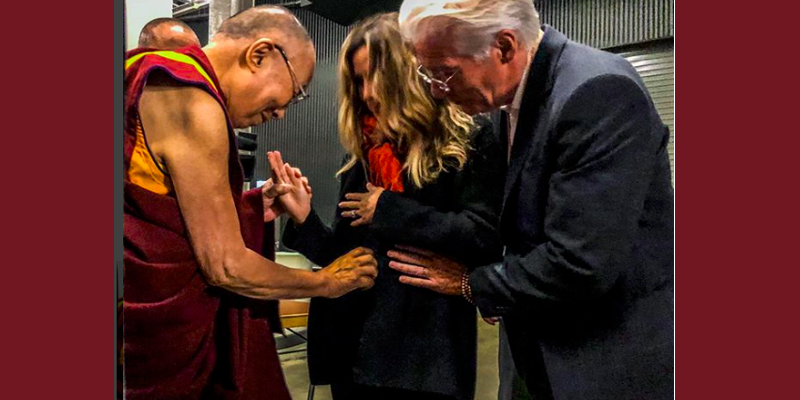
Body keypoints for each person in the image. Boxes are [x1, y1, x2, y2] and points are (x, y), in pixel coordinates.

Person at [388, 1, 675, 400]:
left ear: (504, 47)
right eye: (428, 72)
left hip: (600, 361)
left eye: (445, 71)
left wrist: (472, 284)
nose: (437, 89)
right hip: (537, 349)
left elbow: (580, 262)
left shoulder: (596, 92)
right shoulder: (510, 99)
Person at [120, 5, 378, 400]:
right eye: (292, 95)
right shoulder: (191, 97)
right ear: (259, 54)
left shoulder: (140, 73)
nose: (279, 114)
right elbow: (225, 266)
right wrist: (327, 282)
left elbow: (162, 199)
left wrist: (253, 206)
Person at [272, 12, 505, 400]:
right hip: (354, 352)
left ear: (407, 72)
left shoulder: (466, 142)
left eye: (373, 77)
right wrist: (303, 218)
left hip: (423, 361)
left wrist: (390, 209)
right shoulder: (366, 156)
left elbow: (483, 237)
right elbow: (344, 260)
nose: (366, 94)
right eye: (358, 81)